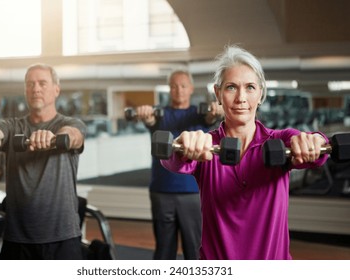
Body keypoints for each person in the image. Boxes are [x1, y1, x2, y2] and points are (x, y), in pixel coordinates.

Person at [160, 46, 329, 260]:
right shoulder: (207, 145)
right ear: (218, 93)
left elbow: (316, 150)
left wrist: (315, 141)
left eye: (250, 87)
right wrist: (182, 144)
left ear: (260, 94)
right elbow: (172, 161)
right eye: (231, 87)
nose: (241, 97)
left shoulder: (280, 140)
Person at [0, 63, 87, 259]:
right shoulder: (12, 127)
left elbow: (73, 136)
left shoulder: (68, 124)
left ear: (56, 90)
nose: (35, 89)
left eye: (42, 83)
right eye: (30, 84)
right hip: (17, 239)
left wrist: (53, 138)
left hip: (62, 237)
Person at [135, 70, 223, 259]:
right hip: (161, 190)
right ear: (169, 89)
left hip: (192, 191)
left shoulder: (198, 114)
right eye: (174, 86)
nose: (179, 90)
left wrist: (217, 109)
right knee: (164, 251)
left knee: (195, 250)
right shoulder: (159, 114)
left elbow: (210, 118)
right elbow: (150, 120)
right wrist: (145, 114)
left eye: (183, 86)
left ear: (191, 88)